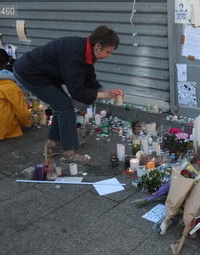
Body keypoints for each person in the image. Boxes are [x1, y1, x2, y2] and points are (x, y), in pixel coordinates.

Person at [13, 25, 124, 164]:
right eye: (108, 52)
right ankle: (68, 154)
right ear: (98, 47)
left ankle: (52, 145)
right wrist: (104, 95)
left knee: (63, 106)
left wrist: (104, 91)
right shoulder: (74, 52)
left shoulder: (85, 49)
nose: (109, 55)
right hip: (30, 73)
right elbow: (76, 91)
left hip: (45, 74)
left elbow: (89, 77)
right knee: (65, 107)